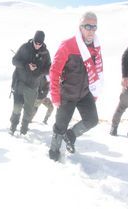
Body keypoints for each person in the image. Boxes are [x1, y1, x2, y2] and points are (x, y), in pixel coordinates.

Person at [48, 12, 103, 161]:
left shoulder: (95, 47)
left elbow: (97, 71)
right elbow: (54, 71)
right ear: (80, 27)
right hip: (68, 94)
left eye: (94, 27)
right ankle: (54, 148)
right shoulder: (68, 45)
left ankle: (70, 135)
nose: (91, 30)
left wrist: (95, 91)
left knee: (92, 120)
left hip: (85, 93)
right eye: (88, 26)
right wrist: (55, 95)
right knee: (60, 125)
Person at [9, 30, 51, 135]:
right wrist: (26, 65)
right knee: (17, 107)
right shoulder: (24, 47)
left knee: (28, 111)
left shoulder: (45, 53)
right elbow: (14, 60)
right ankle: (13, 127)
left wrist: (38, 70)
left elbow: (49, 69)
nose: (37, 45)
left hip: (33, 86)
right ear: (33, 39)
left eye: (39, 43)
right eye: (36, 42)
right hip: (20, 83)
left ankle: (24, 130)